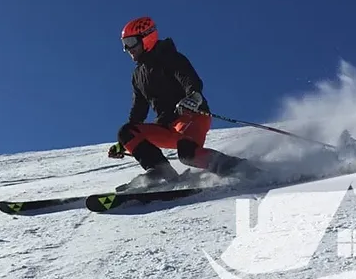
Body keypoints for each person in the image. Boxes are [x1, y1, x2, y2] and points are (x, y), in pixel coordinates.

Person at [107, 16, 254, 189]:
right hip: (166, 126)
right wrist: (124, 143)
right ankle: (161, 171)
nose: (127, 49)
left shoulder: (169, 56)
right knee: (126, 131)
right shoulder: (138, 75)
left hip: (190, 115)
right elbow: (139, 109)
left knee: (187, 154)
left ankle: (242, 169)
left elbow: (188, 78)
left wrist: (193, 96)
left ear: (147, 37)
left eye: (131, 42)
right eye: (124, 44)